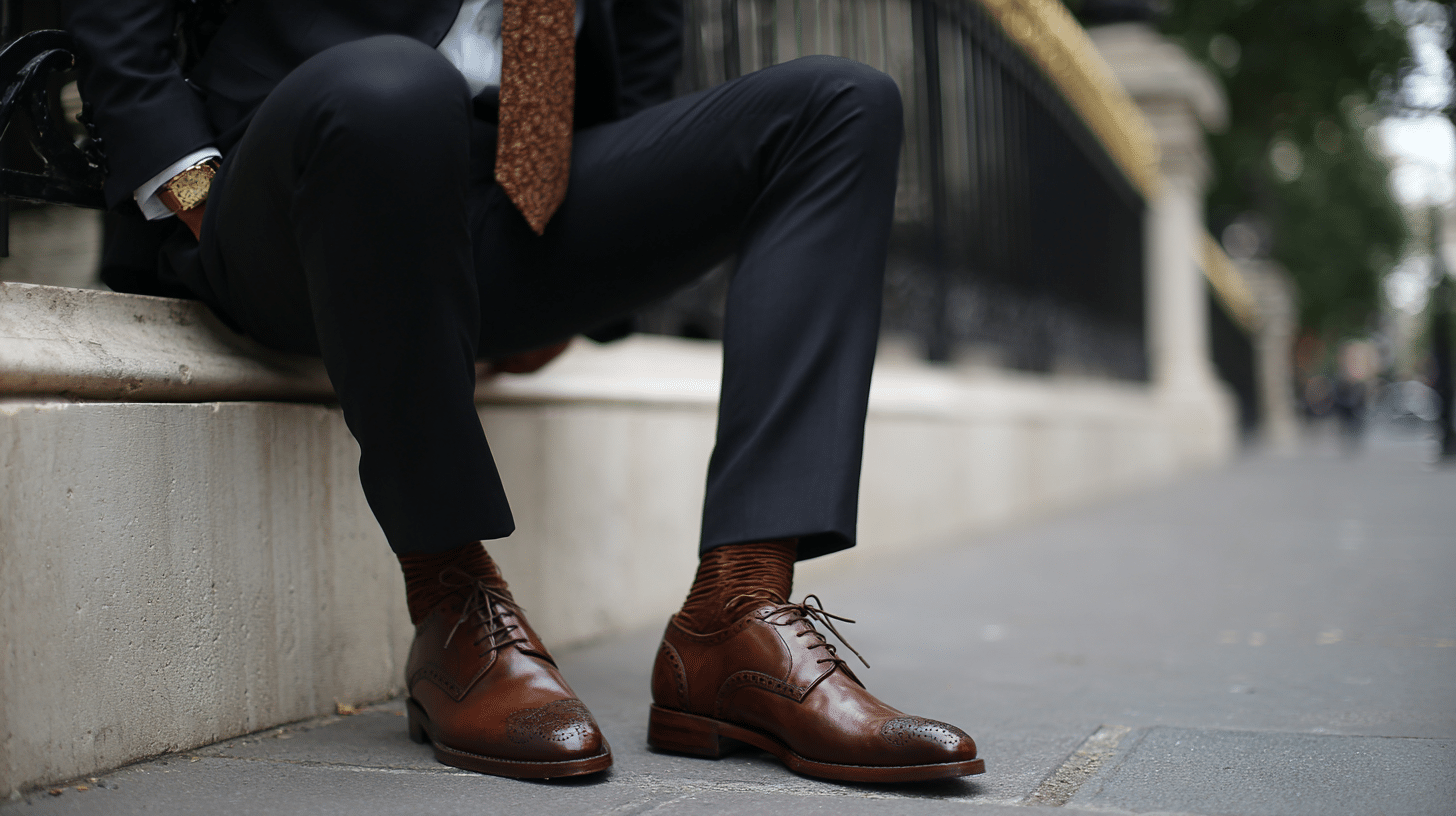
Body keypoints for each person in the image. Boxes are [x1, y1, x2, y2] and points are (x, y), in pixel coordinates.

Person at [64, 0, 984, 783]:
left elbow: (645, 43)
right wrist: (189, 179)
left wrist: (595, 263)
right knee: (395, 85)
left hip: (504, 209)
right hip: (303, 187)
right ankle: (453, 601)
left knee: (840, 103)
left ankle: (737, 618)